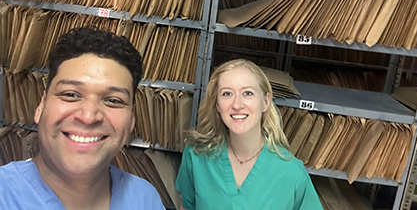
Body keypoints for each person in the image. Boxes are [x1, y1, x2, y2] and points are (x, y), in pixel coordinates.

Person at [0, 27, 165, 210]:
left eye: (112, 100)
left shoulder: (144, 199)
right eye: (70, 94)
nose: (88, 117)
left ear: (131, 121)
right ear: (41, 107)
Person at [175, 58, 323, 210]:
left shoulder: (291, 173)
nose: (237, 105)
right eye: (227, 93)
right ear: (217, 105)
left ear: (266, 102)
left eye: (247, 93)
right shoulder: (196, 156)